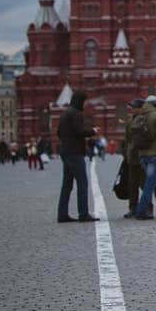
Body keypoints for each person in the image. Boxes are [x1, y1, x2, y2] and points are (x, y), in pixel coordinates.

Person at [56, 89, 100, 223]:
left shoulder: (65, 113)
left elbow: (58, 132)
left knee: (67, 184)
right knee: (82, 183)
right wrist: (93, 131)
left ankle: (62, 214)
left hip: (65, 151)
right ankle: (83, 213)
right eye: (84, 101)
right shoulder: (76, 113)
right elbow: (79, 132)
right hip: (75, 152)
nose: (85, 104)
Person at [121, 99, 147, 218]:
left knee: (143, 183)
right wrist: (125, 153)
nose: (131, 109)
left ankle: (147, 207)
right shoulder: (131, 119)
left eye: (134, 107)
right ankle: (133, 208)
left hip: (141, 155)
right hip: (131, 156)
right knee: (132, 184)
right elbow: (127, 139)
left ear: (141, 108)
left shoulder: (143, 118)